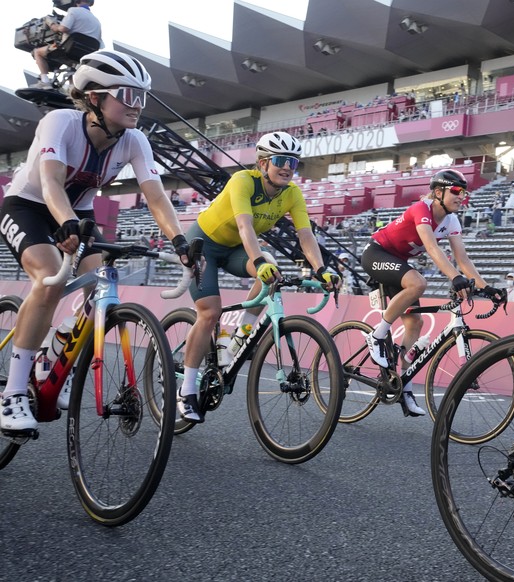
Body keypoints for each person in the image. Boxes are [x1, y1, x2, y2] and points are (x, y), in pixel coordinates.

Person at [0, 49, 196, 435]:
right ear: (94, 97)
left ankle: (54, 354)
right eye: (127, 95)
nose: (137, 106)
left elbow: (156, 197)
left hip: (78, 212)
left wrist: (179, 240)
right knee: (47, 279)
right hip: (29, 205)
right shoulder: (61, 122)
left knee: (103, 283)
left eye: (142, 97)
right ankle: (14, 391)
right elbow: (52, 181)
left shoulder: (135, 140)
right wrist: (67, 223)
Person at [176, 131, 338, 423]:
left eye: (293, 162)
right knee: (209, 313)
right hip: (204, 245)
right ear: (263, 163)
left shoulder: (292, 193)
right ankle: (186, 390)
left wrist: (321, 269)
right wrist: (259, 260)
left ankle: (240, 337)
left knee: (272, 273)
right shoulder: (243, 181)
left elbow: (305, 234)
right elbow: (244, 225)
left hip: (236, 249)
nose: (287, 167)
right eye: (280, 160)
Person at [361, 169, 503, 417]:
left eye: (464, 192)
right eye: (456, 191)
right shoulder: (421, 209)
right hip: (376, 253)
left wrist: (485, 287)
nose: (462, 196)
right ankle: (377, 335)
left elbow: (463, 259)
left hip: (399, 263)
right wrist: (455, 277)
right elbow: (430, 246)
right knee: (418, 282)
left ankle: (403, 386)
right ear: (438, 192)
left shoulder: (451, 220)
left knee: (416, 323)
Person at [32, 0, 103, 89]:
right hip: (84, 55)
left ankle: (45, 82)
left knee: (37, 52)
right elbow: (100, 44)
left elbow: (63, 28)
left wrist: (53, 25)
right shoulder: (96, 21)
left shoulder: (73, 11)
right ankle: (72, 90)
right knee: (72, 67)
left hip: (68, 50)